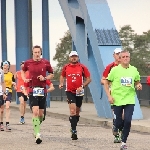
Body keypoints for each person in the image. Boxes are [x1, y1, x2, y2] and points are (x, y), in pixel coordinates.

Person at [103, 50, 142, 150]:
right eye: (123, 57)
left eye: (127, 56)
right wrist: (109, 96)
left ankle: (124, 142)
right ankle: (117, 128)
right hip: (117, 100)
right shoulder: (115, 70)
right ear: (120, 59)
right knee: (118, 122)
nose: (125, 58)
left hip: (129, 99)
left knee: (128, 120)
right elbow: (106, 82)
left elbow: (137, 81)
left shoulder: (134, 70)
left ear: (129, 58)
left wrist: (138, 85)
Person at [22, 45, 53, 144]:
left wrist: (44, 78)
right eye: (35, 52)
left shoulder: (45, 63)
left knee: (41, 114)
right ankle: (37, 134)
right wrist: (24, 79)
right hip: (32, 90)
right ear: (32, 53)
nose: (37, 54)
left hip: (42, 90)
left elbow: (52, 74)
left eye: (38, 52)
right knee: (35, 112)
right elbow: (23, 71)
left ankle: (36, 127)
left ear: (41, 53)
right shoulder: (28, 63)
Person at [59, 51, 91, 140]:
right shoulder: (66, 67)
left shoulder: (82, 67)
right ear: (69, 58)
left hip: (79, 92)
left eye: (75, 56)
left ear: (78, 57)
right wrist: (61, 83)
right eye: (72, 57)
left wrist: (83, 86)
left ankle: (73, 123)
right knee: (72, 111)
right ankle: (74, 130)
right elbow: (62, 76)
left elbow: (88, 79)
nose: (74, 58)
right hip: (69, 91)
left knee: (77, 112)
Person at [101, 48, 123, 143]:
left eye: (120, 54)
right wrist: (108, 82)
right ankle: (117, 134)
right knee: (118, 114)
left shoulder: (128, 67)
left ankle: (119, 129)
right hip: (114, 94)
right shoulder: (110, 67)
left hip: (125, 94)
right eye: (117, 54)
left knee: (124, 116)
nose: (119, 56)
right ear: (114, 55)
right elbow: (102, 80)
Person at [0, 60, 16, 131]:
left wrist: (14, 84)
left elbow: (13, 81)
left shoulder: (11, 74)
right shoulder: (1, 73)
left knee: (7, 106)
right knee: (1, 110)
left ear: (8, 67)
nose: (5, 67)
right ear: (2, 66)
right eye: (4, 65)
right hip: (1, 91)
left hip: (8, 91)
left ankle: (7, 123)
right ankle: (1, 123)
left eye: (7, 65)